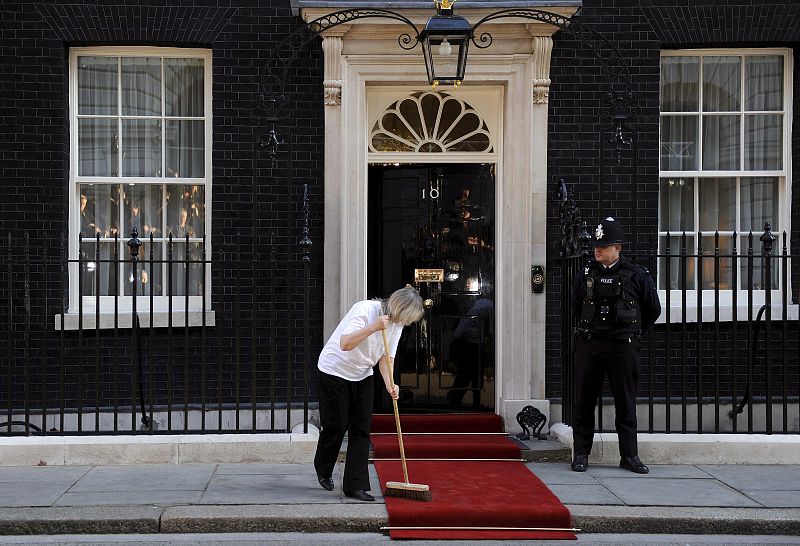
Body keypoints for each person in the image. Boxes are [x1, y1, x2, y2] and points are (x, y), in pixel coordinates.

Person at [313, 286, 424, 501]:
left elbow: (386, 358)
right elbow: (345, 344)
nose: (406, 323)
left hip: (363, 373)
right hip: (334, 370)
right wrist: (373, 327)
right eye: (407, 318)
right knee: (337, 425)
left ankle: (355, 485)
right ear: (399, 308)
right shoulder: (364, 309)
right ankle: (323, 468)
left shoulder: (397, 325)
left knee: (362, 428)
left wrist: (390, 384)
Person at [570, 217, 661, 474]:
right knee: (584, 401)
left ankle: (629, 456)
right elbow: (576, 308)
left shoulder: (636, 276)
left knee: (625, 402)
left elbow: (653, 309)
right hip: (591, 345)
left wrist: (632, 333)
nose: (598, 249)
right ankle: (581, 453)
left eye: (605, 245)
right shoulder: (584, 276)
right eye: (597, 245)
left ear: (617, 248)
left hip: (623, 346)